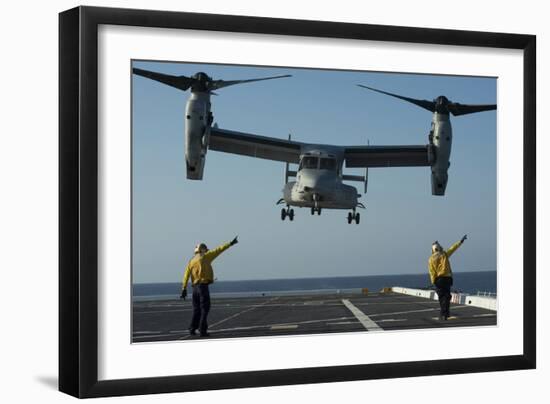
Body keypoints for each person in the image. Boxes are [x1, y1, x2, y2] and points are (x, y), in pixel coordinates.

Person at [181, 236, 238, 337]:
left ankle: (192, 328)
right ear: (202, 249)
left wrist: (184, 289)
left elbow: (186, 275)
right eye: (205, 249)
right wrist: (230, 243)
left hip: (194, 288)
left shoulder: (191, 261)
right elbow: (219, 249)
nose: (207, 251)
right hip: (203, 287)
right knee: (205, 309)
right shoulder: (206, 256)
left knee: (196, 309)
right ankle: (202, 330)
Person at [428, 235, 467, 320]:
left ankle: (443, 313)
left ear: (433, 249)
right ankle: (446, 313)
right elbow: (452, 248)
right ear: (439, 247)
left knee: (442, 297)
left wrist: (433, 281)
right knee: (447, 296)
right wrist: (460, 242)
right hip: (447, 278)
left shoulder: (431, 259)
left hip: (438, 280)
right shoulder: (444, 254)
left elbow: (431, 271)